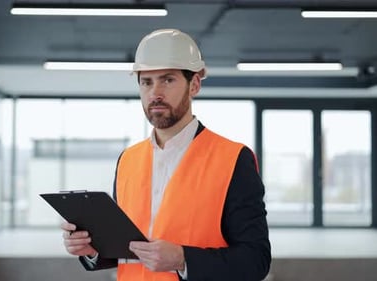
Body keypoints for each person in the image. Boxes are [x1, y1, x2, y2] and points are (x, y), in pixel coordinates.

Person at [61, 28, 271, 281]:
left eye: (167, 80)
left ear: (194, 85)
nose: (155, 93)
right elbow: (129, 247)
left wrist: (184, 259)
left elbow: (255, 261)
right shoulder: (128, 160)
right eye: (146, 82)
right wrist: (93, 251)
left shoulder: (234, 159)